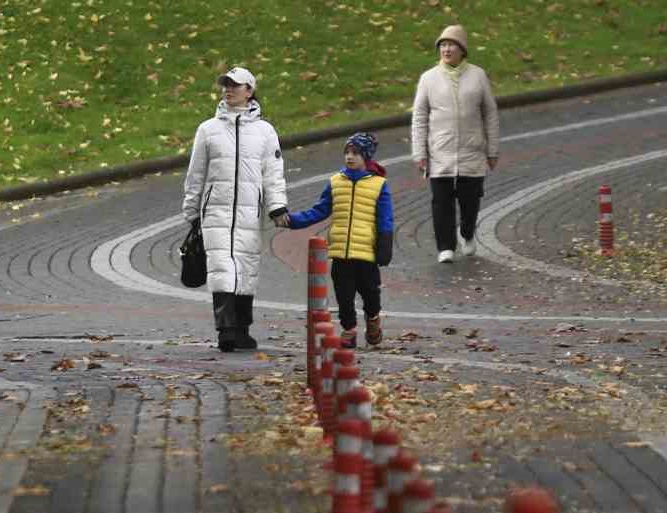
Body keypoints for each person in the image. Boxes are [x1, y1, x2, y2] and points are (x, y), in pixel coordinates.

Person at [181, 67, 288, 351]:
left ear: (249, 91)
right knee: (222, 267)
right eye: (225, 85)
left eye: (235, 85)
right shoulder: (208, 130)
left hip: (249, 212)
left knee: (246, 268)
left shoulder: (265, 132)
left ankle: (242, 328)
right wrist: (191, 210)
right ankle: (226, 330)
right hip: (215, 211)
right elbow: (196, 173)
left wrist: (277, 206)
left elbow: (273, 173)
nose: (228, 90)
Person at [286, 132, 394, 348]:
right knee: (344, 295)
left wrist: (385, 246)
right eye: (347, 152)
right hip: (340, 252)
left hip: (366, 252)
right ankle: (349, 329)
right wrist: (292, 221)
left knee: (371, 293)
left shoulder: (379, 185)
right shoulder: (336, 182)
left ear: (366, 157)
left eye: (355, 153)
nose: (349, 157)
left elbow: (385, 218)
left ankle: (373, 319)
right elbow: (319, 210)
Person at [410, 24, 500, 263]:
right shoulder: (428, 78)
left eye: (451, 45)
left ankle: (466, 233)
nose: (446, 49)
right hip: (440, 153)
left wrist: (492, 150)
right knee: (441, 202)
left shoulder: (478, 76)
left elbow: (490, 113)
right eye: (443, 45)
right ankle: (445, 247)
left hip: (472, 153)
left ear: (462, 50)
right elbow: (419, 118)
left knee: (470, 202)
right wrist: (419, 153)